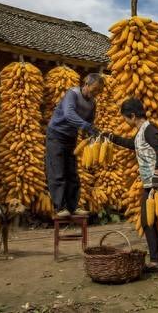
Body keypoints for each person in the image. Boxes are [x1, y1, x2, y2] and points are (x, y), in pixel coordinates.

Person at [102, 97, 158, 279]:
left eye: (125, 118)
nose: (125, 121)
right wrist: (112, 138)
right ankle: (155, 261)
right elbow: (133, 145)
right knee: (148, 221)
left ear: (132, 115)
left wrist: (157, 174)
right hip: (149, 186)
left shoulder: (150, 129)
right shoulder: (140, 133)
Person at [46, 73, 103, 218]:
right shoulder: (72, 94)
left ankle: (73, 206)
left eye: (98, 91)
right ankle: (60, 207)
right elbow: (69, 114)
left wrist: (90, 138)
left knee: (72, 173)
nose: (95, 93)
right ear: (86, 84)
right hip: (56, 135)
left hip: (71, 138)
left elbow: (89, 122)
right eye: (94, 89)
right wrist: (86, 126)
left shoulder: (92, 103)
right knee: (58, 172)